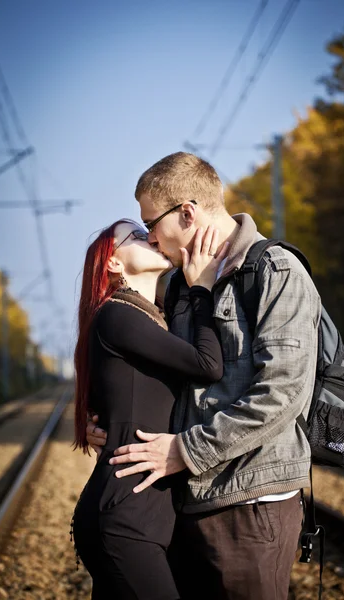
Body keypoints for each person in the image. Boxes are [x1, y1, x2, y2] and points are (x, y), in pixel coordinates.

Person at [87, 152, 322, 600]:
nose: (152, 240)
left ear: (187, 213)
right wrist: (110, 424)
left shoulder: (274, 272)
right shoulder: (177, 286)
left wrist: (185, 450)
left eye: (151, 225)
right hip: (183, 504)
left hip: (248, 504)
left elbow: (283, 392)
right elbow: (151, 372)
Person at [72, 217, 228, 600]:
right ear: (114, 263)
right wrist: (202, 288)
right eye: (137, 235)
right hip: (125, 519)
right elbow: (208, 365)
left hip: (136, 516)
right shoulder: (118, 314)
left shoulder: (149, 317)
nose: (151, 237)